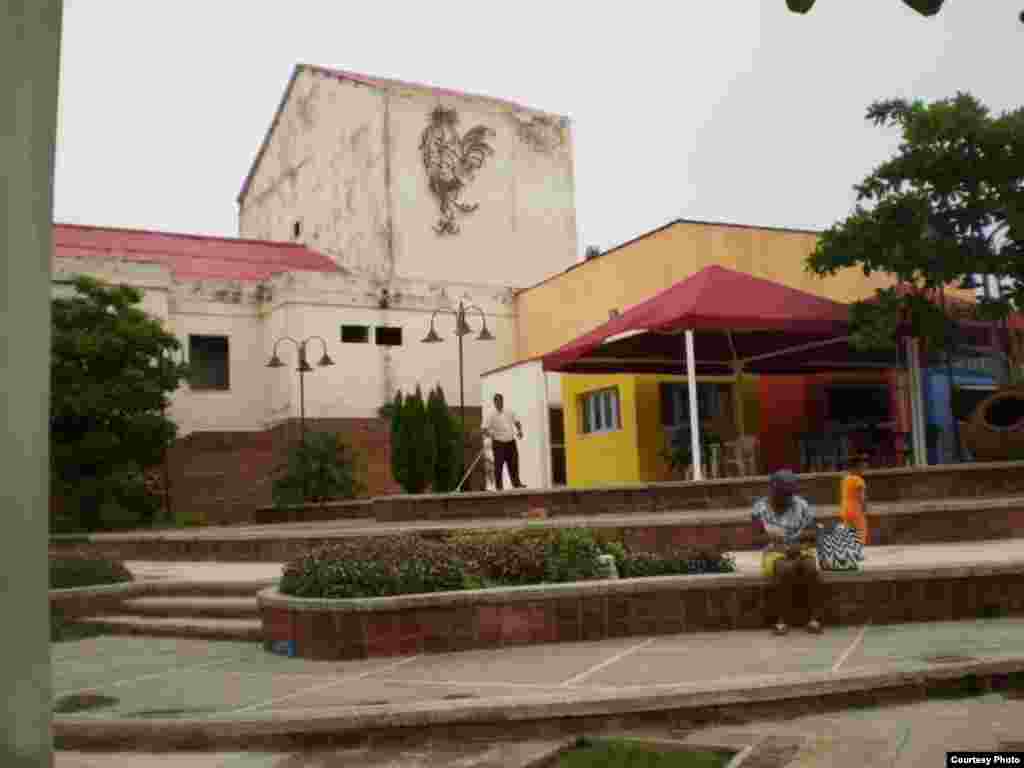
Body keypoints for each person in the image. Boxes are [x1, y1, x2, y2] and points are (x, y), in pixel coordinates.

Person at [752, 469, 824, 635]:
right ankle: (780, 620)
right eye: (782, 494)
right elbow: (756, 538)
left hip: (800, 548)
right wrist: (773, 539)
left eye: (789, 494)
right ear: (772, 490)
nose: (786, 498)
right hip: (774, 552)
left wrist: (797, 542)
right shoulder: (760, 508)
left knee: (811, 568)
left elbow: (814, 532)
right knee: (785, 570)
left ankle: (814, 619)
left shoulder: (801, 505)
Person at [817, 456, 869, 571]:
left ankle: (850, 551)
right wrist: (864, 507)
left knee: (849, 531)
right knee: (861, 530)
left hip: (845, 509)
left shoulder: (845, 479)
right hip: (856, 509)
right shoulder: (858, 480)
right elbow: (861, 496)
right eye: (862, 466)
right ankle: (858, 553)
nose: (864, 468)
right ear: (857, 467)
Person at [481, 393, 524, 490]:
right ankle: (499, 487)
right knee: (498, 465)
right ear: (494, 402)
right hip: (498, 443)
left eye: (501, 401)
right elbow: (484, 429)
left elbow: (516, 422)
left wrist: (520, 430)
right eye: (497, 402)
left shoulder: (509, 411)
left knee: (514, 463)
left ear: (503, 401)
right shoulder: (490, 414)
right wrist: (490, 434)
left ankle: (516, 483)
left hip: (510, 442)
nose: (499, 403)